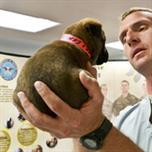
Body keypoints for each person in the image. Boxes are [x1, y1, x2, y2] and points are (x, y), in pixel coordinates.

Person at [16, 7, 152, 152]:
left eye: (142, 27)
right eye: (123, 39)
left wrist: (96, 130)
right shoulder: (125, 119)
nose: (129, 39)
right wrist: (80, 121)